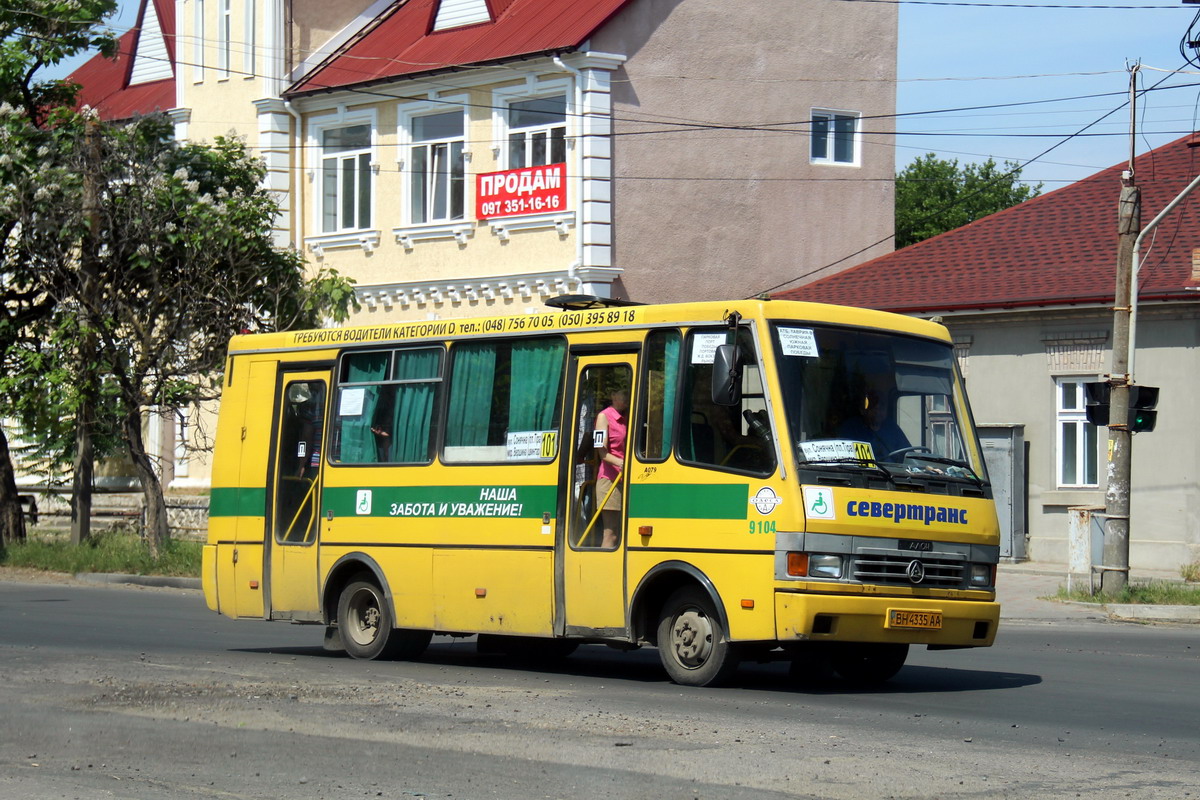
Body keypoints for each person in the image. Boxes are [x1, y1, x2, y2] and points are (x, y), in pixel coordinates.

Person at [838, 360, 909, 460]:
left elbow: (909, 454)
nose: (878, 411)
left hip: (893, 473)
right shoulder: (851, 428)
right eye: (873, 407)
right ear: (862, 410)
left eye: (882, 407)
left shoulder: (892, 428)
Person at [594, 388, 628, 549]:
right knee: (610, 533)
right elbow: (602, 453)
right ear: (613, 395)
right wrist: (624, 463)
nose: (627, 397)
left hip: (625, 479)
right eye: (624, 393)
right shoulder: (603, 417)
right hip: (609, 481)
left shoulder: (627, 418)